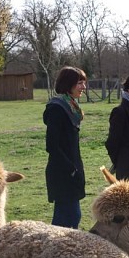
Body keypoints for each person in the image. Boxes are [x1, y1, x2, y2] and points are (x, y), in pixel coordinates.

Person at [44, 66, 87, 229]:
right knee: (67, 218)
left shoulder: (71, 107)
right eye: (79, 83)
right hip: (63, 173)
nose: (83, 87)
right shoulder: (57, 108)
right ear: (68, 84)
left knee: (70, 217)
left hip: (71, 171)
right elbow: (52, 146)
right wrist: (71, 169)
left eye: (84, 83)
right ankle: (57, 251)